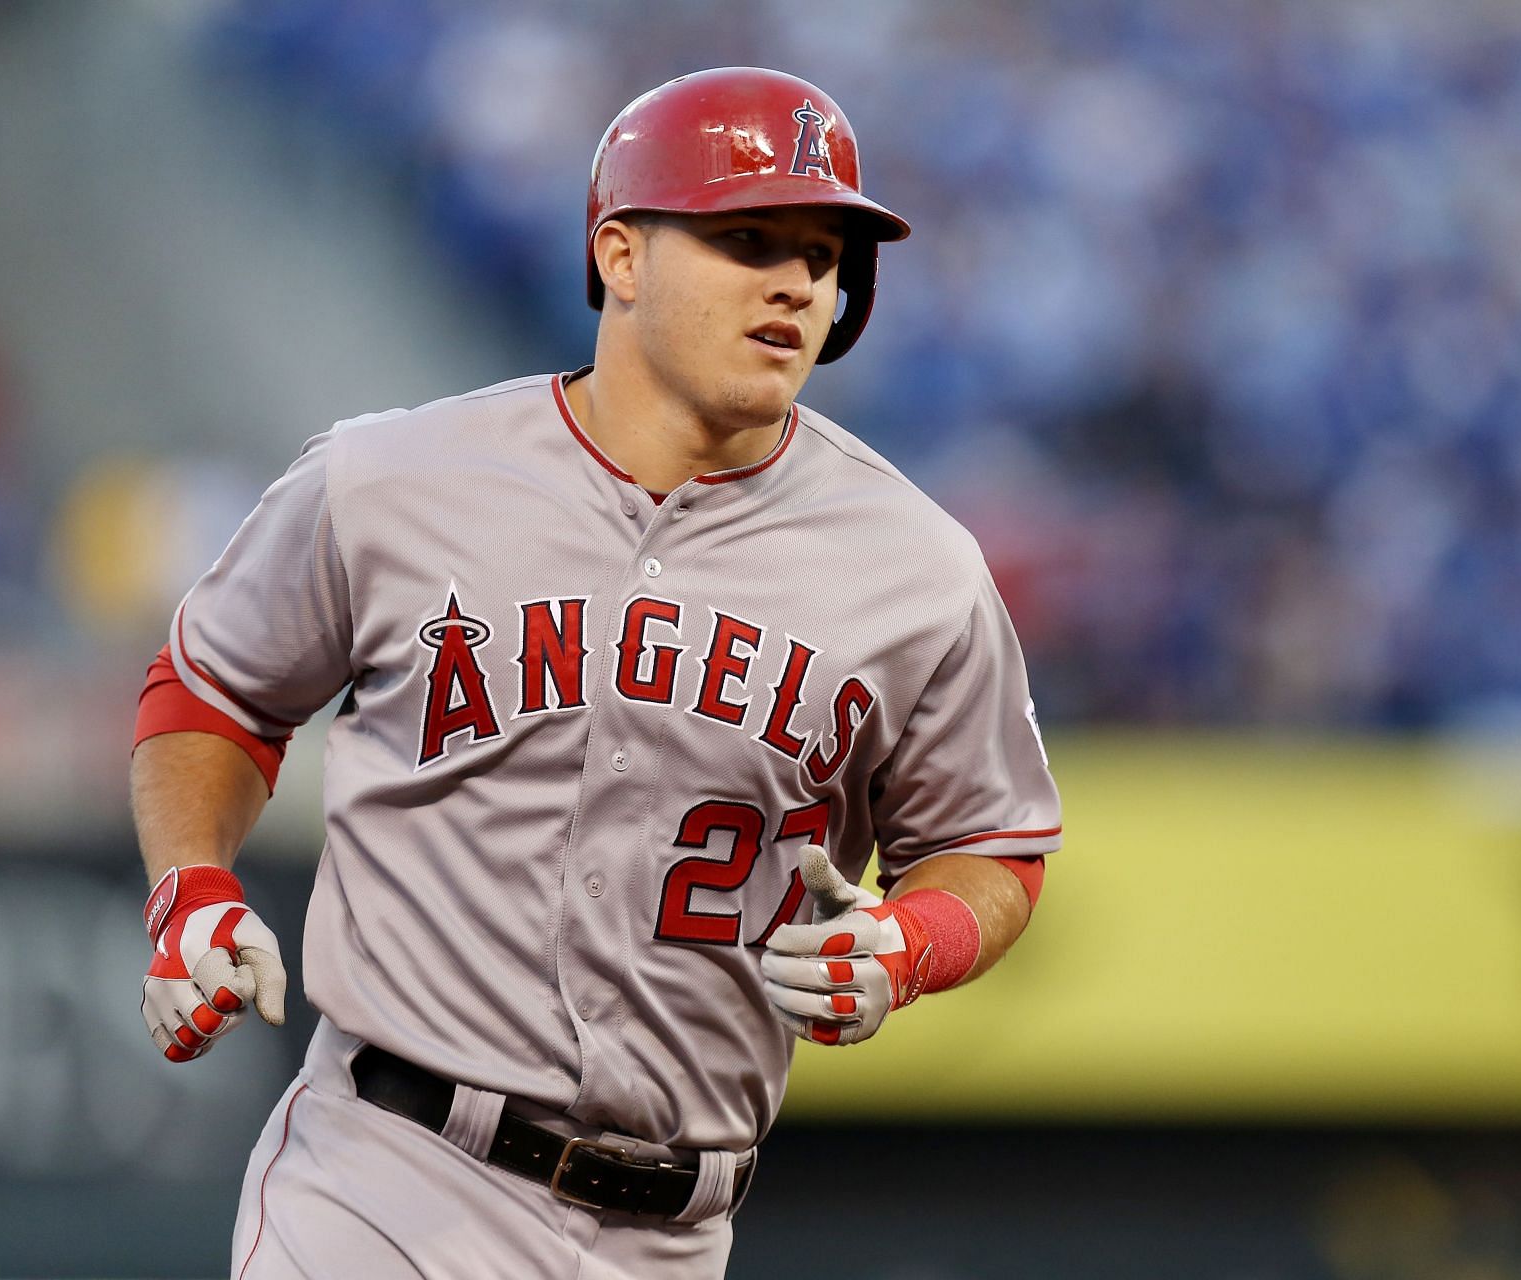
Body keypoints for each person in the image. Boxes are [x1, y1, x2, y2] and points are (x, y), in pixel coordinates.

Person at [130, 66, 1061, 1280]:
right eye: (748, 238)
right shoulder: (391, 481)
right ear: (621, 256)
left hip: (676, 1228)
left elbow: (994, 844)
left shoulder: (918, 568)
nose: (797, 281)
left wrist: (910, 939)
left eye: (825, 256)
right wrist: (188, 883)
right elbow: (215, 689)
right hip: (388, 1181)